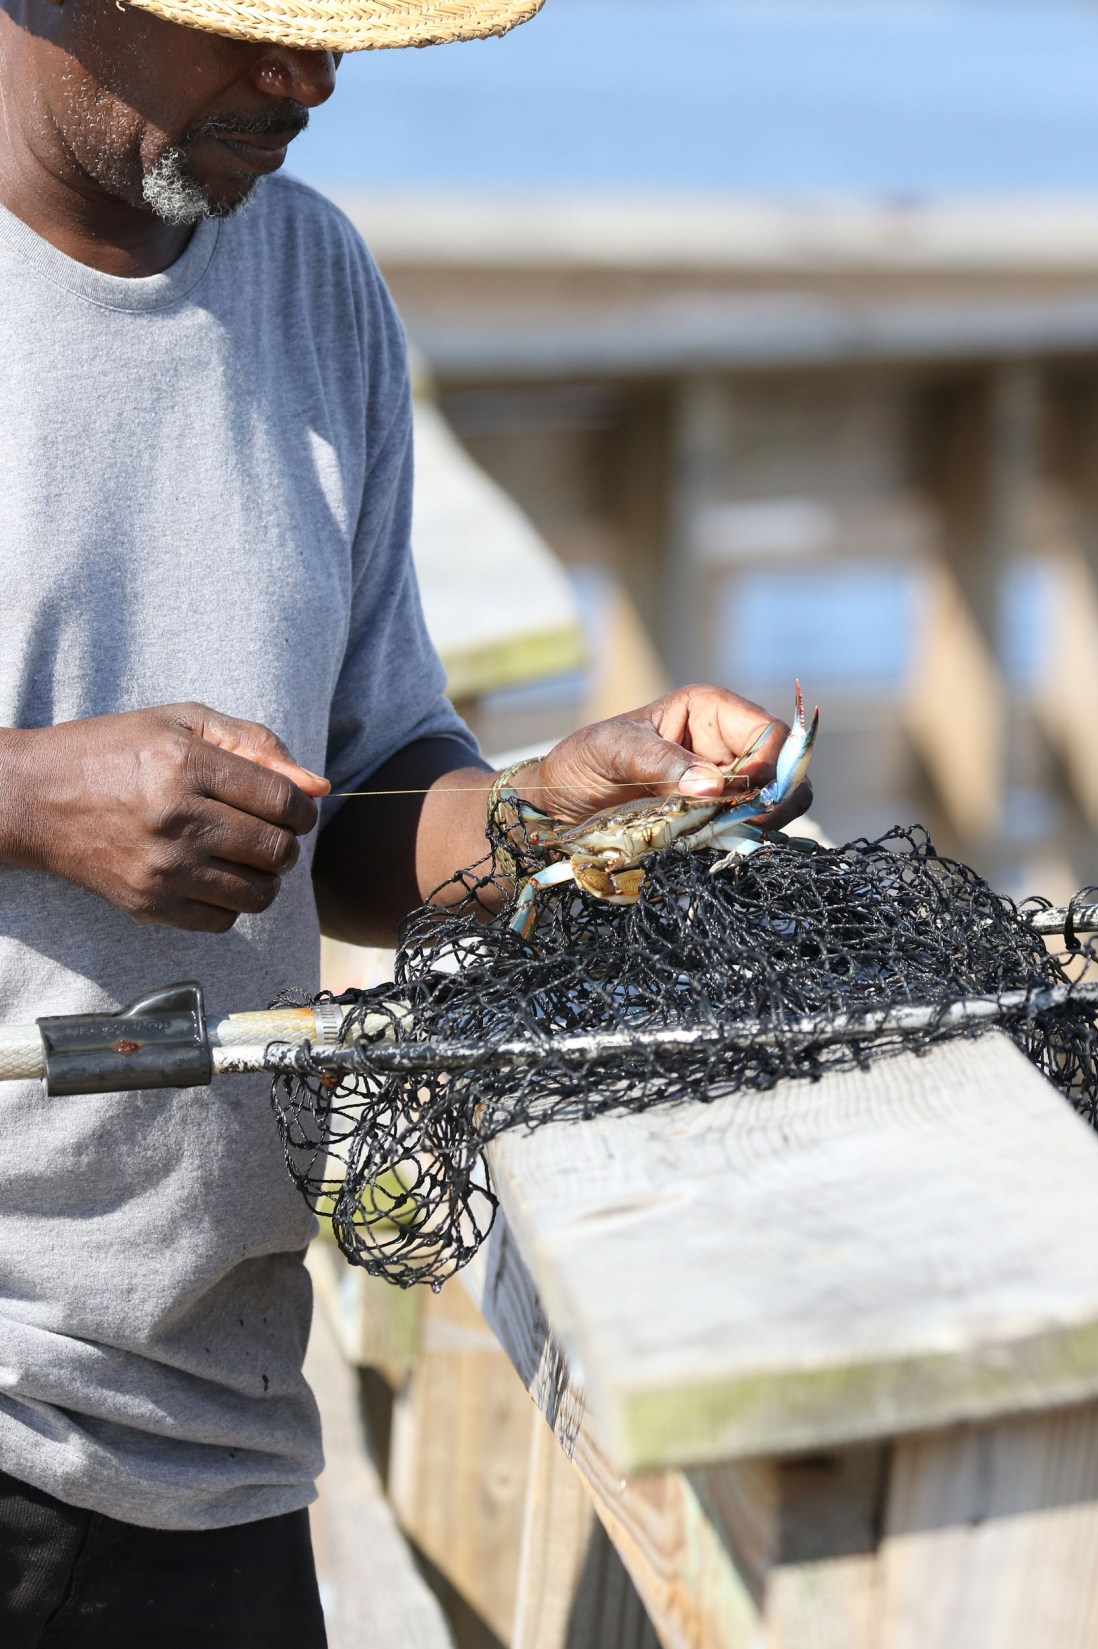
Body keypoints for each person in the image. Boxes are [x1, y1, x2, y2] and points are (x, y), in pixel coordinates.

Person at [0, 0, 811, 1641]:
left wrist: (551, 806)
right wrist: (28, 794)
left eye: (329, 28)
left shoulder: (314, 283)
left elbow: (371, 793)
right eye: (250, 23)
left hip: (211, 1433)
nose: (308, 77)